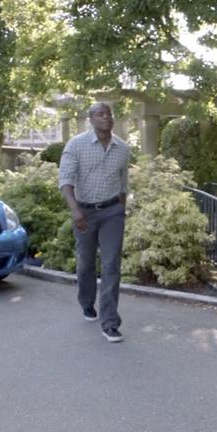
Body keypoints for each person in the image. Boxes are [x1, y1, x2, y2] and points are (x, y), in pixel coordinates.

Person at [58, 102, 130, 343]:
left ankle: (109, 322)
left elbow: (123, 184)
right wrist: (75, 210)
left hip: (112, 212)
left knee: (111, 265)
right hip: (85, 213)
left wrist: (122, 209)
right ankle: (87, 302)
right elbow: (65, 181)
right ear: (91, 119)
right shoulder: (76, 145)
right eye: (101, 114)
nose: (107, 117)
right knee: (86, 264)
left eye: (109, 113)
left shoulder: (122, 148)